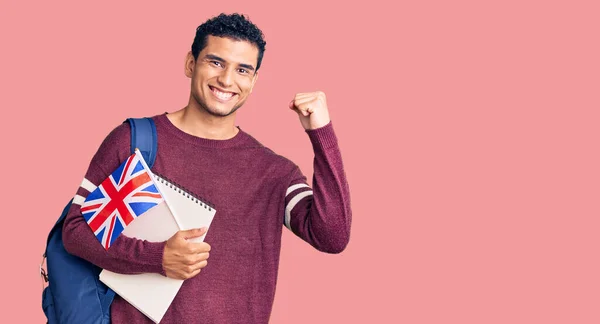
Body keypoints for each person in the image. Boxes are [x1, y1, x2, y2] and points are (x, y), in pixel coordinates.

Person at [62, 12, 351, 323]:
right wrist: (157, 258)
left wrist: (321, 133)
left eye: (242, 69)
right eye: (216, 62)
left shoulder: (273, 173)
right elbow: (76, 231)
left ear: (253, 82)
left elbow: (331, 236)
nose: (227, 80)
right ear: (190, 64)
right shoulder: (137, 142)